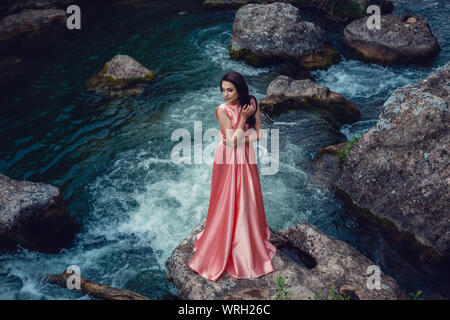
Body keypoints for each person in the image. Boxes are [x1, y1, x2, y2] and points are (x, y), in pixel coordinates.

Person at [187, 71, 276, 282]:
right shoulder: (221, 110)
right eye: (223, 90)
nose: (225, 94)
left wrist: (243, 135)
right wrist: (243, 120)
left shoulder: (252, 102)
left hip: (245, 155)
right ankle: (225, 239)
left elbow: (260, 133)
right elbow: (230, 142)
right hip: (227, 158)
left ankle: (246, 239)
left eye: (230, 90)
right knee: (227, 197)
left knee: (248, 197)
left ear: (240, 89)